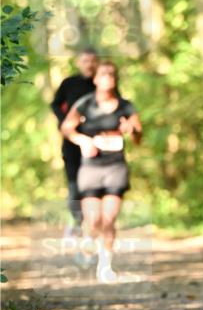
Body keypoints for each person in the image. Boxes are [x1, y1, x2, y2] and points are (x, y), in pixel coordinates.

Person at [60, 60, 142, 283]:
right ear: (95, 79)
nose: (107, 78)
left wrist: (131, 129)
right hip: (91, 167)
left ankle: (105, 266)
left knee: (109, 218)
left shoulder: (125, 106)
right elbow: (66, 128)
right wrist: (83, 140)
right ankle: (88, 239)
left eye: (111, 75)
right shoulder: (85, 104)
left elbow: (138, 136)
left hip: (115, 167)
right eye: (103, 74)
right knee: (94, 219)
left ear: (115, 79)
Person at [50, 48, 98, 233]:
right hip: (71, 142)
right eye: (85, 61)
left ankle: (95, 224)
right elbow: (55, 104)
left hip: (97, 142)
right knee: (74, 186)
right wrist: (64, 123)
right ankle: (77, 222)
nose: (89, 64)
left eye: (92, 61)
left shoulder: (102, 83)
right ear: (79, 62)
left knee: (95, 184)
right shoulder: (69, 83)